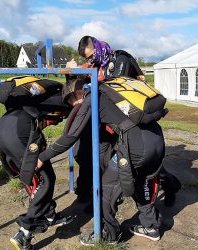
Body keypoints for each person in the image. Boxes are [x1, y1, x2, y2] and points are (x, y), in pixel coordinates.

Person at [36, 77, 165, 245]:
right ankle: (151, 226)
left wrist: (42, 157)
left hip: (135, 147)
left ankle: (109, 235)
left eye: (72, 101)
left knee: (105, 189)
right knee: (139, 181)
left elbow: (70, 137)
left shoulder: (92, 97)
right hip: (156, 140)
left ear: (78, 93)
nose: (74, 106)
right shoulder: (111, 91)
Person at [70, 35, 181, 207]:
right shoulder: (99, 65)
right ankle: (102, 194)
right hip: (118, 120)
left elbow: (113, 87)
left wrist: (89, 81)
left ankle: (170, 184)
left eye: (92, 55)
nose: (91, 60)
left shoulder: (120, 59)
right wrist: (75, 71)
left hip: (137, 120)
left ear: (98, 48)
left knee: (148, 166)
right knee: (106, 156)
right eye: (88, 58)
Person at [0, 79, 74, 250]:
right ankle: (25, 231)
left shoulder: (35, 98)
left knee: (35, 178)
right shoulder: (65, 100)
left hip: (4, 126)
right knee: (45, 179)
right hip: (19, 132)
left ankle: (50, 216)